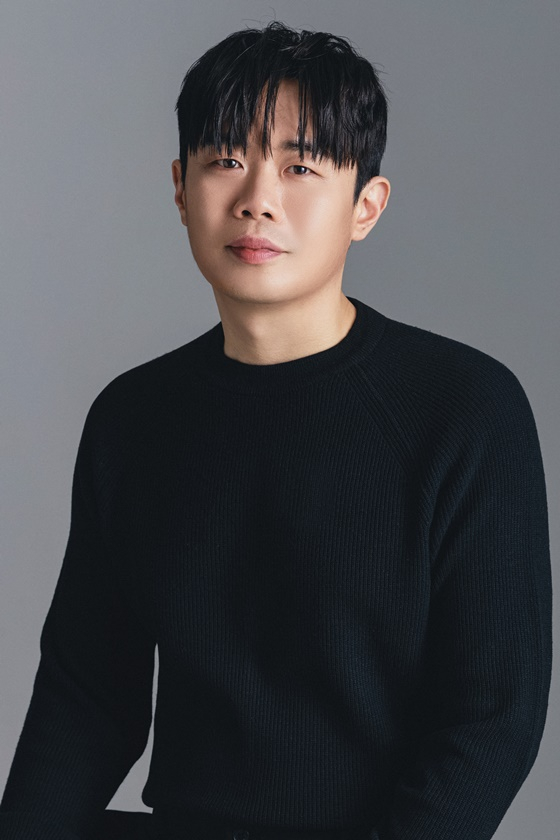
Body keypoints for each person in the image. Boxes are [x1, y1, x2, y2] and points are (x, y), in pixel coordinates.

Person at [0, 20, 552, 840]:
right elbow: (86, 702)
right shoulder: (133, 418)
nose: (257, 199)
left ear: (366, 206)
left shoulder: (466, 410)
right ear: (181, 188)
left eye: (300, 166)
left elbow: (491, 722)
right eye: (226, 160)